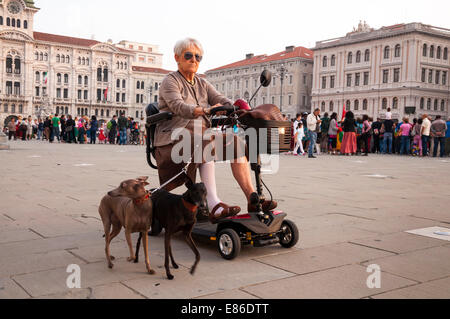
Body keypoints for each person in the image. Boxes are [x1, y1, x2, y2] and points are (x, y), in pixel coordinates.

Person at [154, 38, 277, 222]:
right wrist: (205, 110)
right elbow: (178, 106)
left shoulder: (202, 83)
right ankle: (214, 204)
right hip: (173, 137)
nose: (194, 59)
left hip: (200, 135)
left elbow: (220, 98)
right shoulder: (170, 81)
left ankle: (252, 198)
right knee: (207, 142)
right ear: (177, 58)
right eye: (188, 55)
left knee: (236, 142)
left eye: (198, 57)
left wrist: (236, 107)